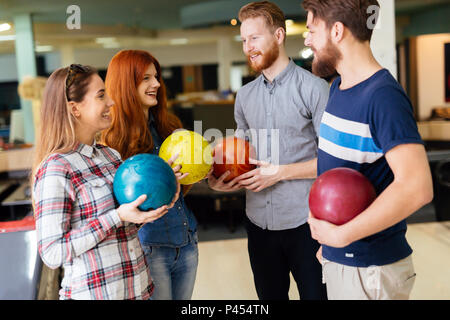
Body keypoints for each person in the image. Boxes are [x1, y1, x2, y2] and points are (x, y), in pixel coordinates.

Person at [302, 0, 434, 299]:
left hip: (370, 269)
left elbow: (417, 188)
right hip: (343, 258)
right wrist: (332, 242)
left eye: (311, 30)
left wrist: (340, 235)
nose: (307, 39)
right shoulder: (339, 87)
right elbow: (340, 175)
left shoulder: (383, 97)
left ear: (337, 31)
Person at [208, 1, 329, 300]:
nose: (248, 47)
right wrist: (222, 179)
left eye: (255, 38)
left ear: (278, 35)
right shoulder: (244, 97)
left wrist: (281, 173)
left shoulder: (315, 89)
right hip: (259, 225)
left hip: (307, 224)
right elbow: (241, 156)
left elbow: (334, 161)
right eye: (244, 40)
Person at [32, 64, 179, 300]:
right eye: (101, 95)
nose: (111, 102)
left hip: (138, 290)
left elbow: (126, 226)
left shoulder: (111, 156)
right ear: (74, 108)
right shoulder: (57, 168)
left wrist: (161, 187)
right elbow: (52, 252)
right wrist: (116, 216)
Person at [101, 50, 200, 300]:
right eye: (145, 78)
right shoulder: (111, 143)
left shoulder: (169, 127)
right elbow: (118, 207)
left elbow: (183, 186)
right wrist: (159, 175)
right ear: (126, 84)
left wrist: (207, 169)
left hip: (187, 240)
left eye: (155, 77)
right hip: (150, 249)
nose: (156, 84)